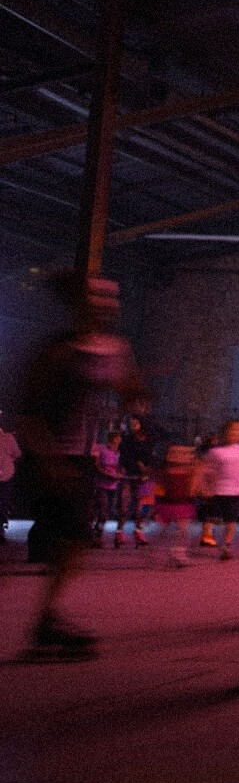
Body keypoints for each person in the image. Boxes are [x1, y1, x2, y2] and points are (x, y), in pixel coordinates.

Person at [13, 272, 149, 657]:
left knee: (73, 543)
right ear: (80, 304)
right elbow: (30, 413)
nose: (109, 304)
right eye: (100, 296)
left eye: (114, 297)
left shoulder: (115, 349)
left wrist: (137, 395)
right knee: (68, 540)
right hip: (53, 457)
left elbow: (131, 393)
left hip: (82, 458)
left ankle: (47, 619)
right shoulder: (56, 352)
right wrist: (49, 461)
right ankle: (46, 621)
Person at [198, 420, 239, 561]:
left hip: (236, 492)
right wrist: (204, 487)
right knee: (212, 518)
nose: (237, 433)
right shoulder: (216, 452)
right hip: (217, 491)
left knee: (231, 520)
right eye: (233, 430)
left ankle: (226, 546)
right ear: (225, 432)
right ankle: (208, 536)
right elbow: (205, 470)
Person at [153, 443, 200, 568]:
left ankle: (179, 552)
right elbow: (158, 486)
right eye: (175, 453)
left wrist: (196, 488)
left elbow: (194, 486)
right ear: (168, 455)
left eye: (185, 454)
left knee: (184, 530)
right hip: (167, 503)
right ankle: (158, 549)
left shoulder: (191, 471)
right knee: (163, 531)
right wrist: (156, 502)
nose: (180, 456)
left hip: (183, 503)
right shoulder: (164, 471)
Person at [117, 416, 156, 546]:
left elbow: (149, 458)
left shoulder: (146, 441)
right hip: (128, 475)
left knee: (140, 507)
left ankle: (138, 531)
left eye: (136, 423)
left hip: (141, 477)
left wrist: (145, 471)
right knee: (124, 505)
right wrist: (127, 467)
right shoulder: (126, 440)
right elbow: (123, 457)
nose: (133, 425)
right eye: (131, 423)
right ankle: (119, 532)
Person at [92, 431, 123, 545]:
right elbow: (97, 466)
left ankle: (98, 531)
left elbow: (120, 468)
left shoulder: (118, 454)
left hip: (113, 486)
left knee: (108, 512)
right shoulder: (103, 451)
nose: (119, 440)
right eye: (117, 437)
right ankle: (97, 535)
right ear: (112, 439)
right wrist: (106, 474)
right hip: (102, 485)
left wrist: (119, 474)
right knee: (103, 512)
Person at [0, 414, 19, 547]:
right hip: (6, 475)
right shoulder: (8, 438)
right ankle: (0, 529)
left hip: (6, 475)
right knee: (3, 503)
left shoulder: (7, 437)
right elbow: (17, 453)